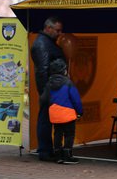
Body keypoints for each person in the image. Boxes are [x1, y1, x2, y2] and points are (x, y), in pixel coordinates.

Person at [30, 17, 65, 161]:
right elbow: (42, 70)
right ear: (48, 28)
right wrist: (45, 91)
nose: (59, 33)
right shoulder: (42, 44)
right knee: (45, 119)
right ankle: (45, 151)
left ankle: (48, 149)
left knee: (49, 118)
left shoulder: (46, 42)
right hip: (49, 89)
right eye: (57, 30)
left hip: (52, 87)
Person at [40, 59, 83, 164]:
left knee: (57, 133)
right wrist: (80, 111)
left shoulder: (49, 84)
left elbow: (43, 99)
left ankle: (58, 155)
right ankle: (67, 156)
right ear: (64, 71)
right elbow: (75, 99)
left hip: (54, 114)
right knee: (69, 134)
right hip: (68, 113)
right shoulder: (68, 83)